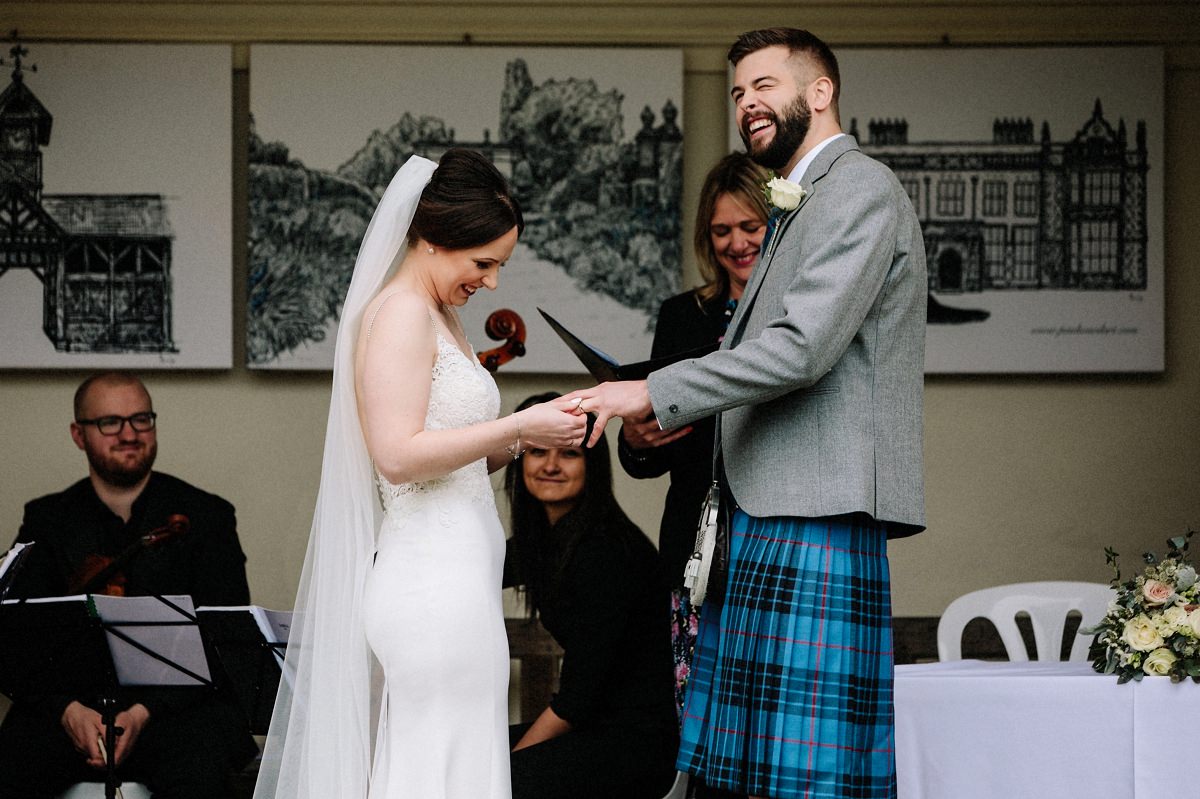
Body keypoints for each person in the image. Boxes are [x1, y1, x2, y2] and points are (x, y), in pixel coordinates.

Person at [567, 28, 926, 799]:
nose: (747, 104)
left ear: (820, 92)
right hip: (765, 515)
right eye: (737, 92)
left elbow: (801, 349)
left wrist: (652, 389)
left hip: (815, 511)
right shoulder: (801, 201)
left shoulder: (859, 188)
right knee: (748, 776)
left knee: (805, 779)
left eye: (764, 85)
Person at [254, 149, 587, 799]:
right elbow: (398, 454)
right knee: (435, 770)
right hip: (430, 587)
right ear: (435, 240)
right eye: (483, 263)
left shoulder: (440, 313)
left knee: (457, 764)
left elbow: (455, 454)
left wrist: (536, 431)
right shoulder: (402, 312)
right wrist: (518, 427)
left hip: (459, 584)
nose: (491, 283)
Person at [0, 371, 256, 799]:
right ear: (79, 435)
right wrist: (67, 710)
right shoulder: (48, 519)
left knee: (204, 769)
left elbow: (222, 639)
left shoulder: (206, 515)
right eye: (110, 422)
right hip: (75, 709)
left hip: (175, 711)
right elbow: (19, 637)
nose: (129, 433)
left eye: (141, 419)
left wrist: (144, 712)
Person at [617, 152, 770, 719]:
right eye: (721, 230)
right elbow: (648, 457)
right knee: (700, 721)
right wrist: (636, 440)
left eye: (750, 227)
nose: (736, 243)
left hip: (777, 542)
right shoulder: (682, 315)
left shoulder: (801, 317)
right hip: (695, 550)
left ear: (776, 225)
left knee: (768, 724)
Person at [503, 392, 678, 799]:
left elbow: (576, 703)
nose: (549, 466)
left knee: (496, 776)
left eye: (568, 454)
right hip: (590, 723)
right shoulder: (541, 542)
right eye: (537, 452)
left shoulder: (605, 550)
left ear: (591, 464)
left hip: (635, 740)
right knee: (458, 750)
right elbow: (464, 571)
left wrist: (505, 766)